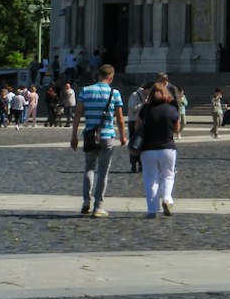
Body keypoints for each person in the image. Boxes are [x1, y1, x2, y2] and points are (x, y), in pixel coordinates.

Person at [71, 63, 127, 218]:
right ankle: (98, 206)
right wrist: (123, 136)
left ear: (98, 75)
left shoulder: (85, 91)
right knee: (103, 172)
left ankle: (86, 201)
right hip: (107, 136)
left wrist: (74, 136)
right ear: (111, 77)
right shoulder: (115, 93)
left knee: (89, 168)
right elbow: (121, 119)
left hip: (89, 135)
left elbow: (77, 116)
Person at [136, 80, 180, 217]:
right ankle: (167, 198)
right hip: (167, 148)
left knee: (151, 179)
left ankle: (152, 210)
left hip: (148, 149)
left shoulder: (146, 109)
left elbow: (137, 125)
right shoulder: (172, 109)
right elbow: (176, 129)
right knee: (168, 175)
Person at [127, 82, 149, 172]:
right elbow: (132, 108)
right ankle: (133, 164)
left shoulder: (148, 96)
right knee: (134, 143)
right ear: (146, 89)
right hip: (133, 121)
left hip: (143, 122)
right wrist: (143, 104)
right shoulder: (135, 95)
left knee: (142, 144)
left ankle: (141, 164)